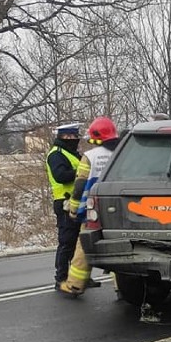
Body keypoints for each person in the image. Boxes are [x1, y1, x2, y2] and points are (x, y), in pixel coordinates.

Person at [57, 117, 120, 297]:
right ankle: (121, 286)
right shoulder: (122, 154)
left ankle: (75, 285)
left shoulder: (90, 157)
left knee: (84, 246)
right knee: (117, 247)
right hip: (117, 209)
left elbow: (79, 187)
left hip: (95, 211)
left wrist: (74, 210)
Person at [45, 123, 83, 289]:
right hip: (65, 202)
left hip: (77, 202)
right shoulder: (57, 154)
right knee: (67, 242)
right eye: (73, 137)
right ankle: (61, 278)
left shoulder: (72, 153)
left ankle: (77, 277)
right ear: (65, 137)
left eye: (76, 136)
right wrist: (81, 173)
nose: (75, 139)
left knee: (79, 243)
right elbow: (60, 176)